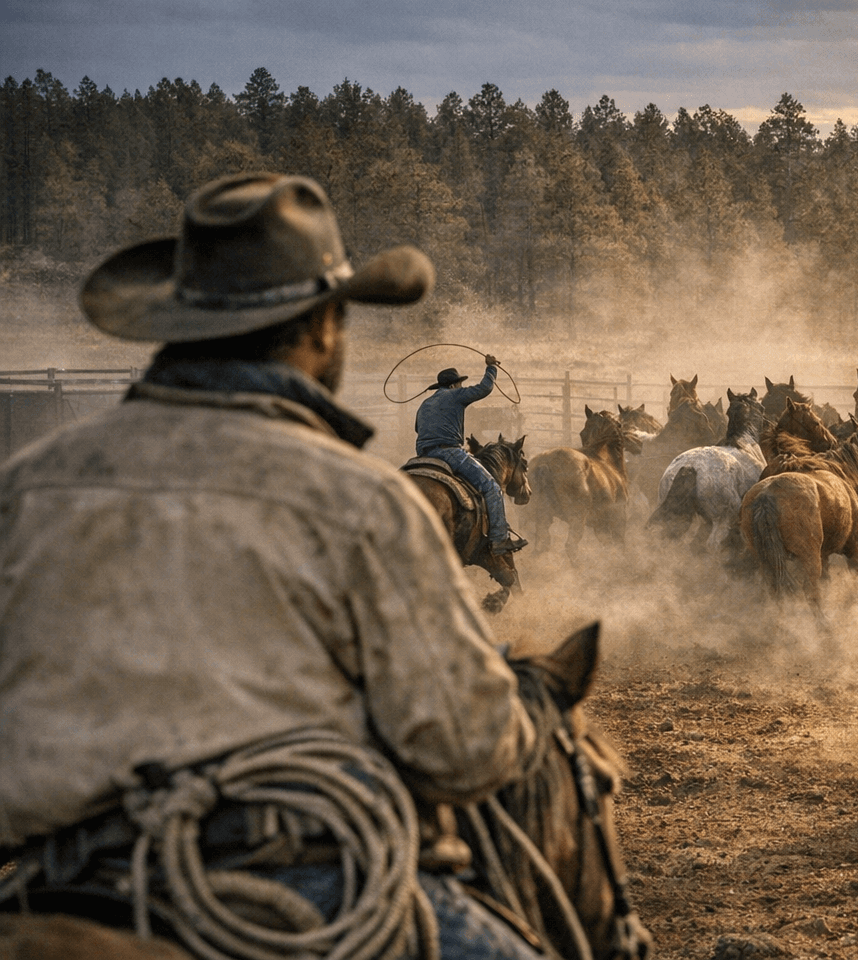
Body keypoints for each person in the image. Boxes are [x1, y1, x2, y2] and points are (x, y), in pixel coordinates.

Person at [0, 173, 542, 958]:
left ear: (173, 322)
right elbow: (468, 745)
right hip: (287, 878)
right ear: (323, 325)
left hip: (55, 872)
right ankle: (502, 534)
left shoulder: (25, 487)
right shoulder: (356, 503)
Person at [415, 361, 524, 554]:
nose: (461, 387)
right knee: (491, 487)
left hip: (423, 454)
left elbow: (418, 428)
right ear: (452, 385)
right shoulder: (455, 394)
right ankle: (500, 539)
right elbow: (484, 388)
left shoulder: (425, 404)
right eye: (459, 384)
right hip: (449, 451)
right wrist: (491, 367)